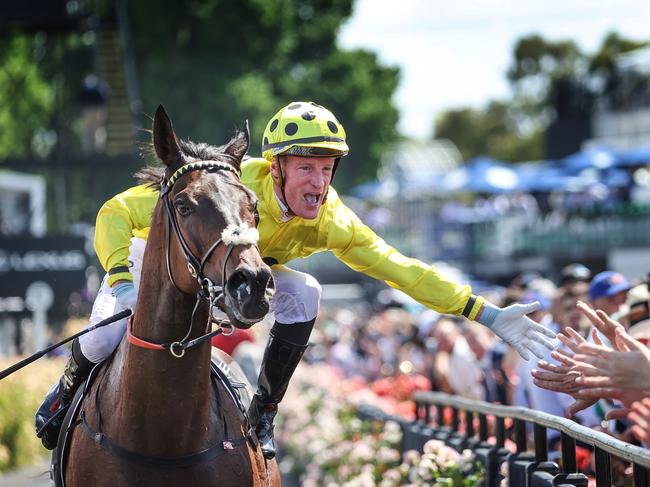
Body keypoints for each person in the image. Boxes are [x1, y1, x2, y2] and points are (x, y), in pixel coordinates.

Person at [35, 101, 555, 457]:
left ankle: (264, 410)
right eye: (306, 167)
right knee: (106, 331)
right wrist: (122, 280)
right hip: (161, 259)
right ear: (277, 167)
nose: (319, 182)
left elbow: (405, 270)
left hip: (239, 272)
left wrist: (483, 312)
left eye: (328, 168)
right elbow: (113, 212)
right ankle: (65, 391)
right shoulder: (229, 188)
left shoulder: (335, 220)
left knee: (307, 291)